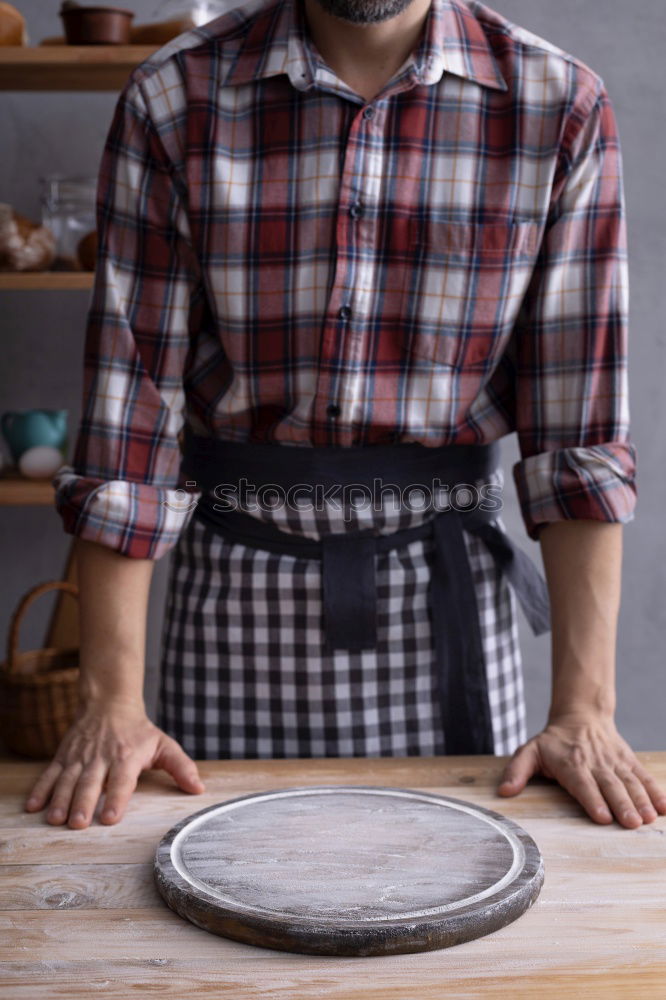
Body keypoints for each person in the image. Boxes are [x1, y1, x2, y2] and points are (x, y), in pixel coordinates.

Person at [24, 0, 666, 831]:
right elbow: (128, 429)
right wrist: (112, 702)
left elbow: (578, 444)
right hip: (233, 593)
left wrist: (585, 711)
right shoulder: (174, 95)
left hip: (445, 594)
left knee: (459, 913)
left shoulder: (558, 102)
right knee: (219, 907)